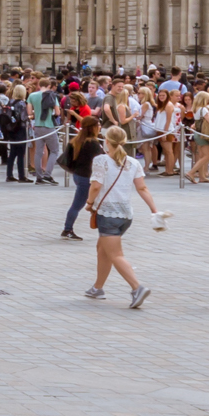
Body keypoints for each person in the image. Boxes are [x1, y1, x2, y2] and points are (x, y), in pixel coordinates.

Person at [86, 125, 157, 307]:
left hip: (108, 214)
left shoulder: (101, 160)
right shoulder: (133, 162)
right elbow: (142, 188)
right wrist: (154, 210)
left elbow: (96, 185)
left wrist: (89, 203)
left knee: (115, 254)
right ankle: (98, 287)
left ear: (106, 141)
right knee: (103, 249)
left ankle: (137, 287)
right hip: (126, 215)